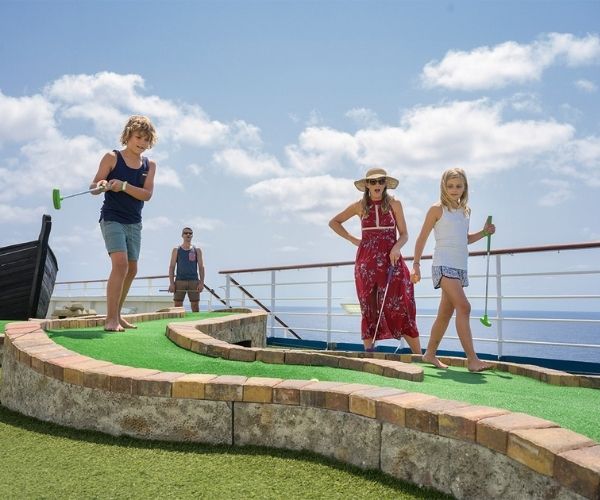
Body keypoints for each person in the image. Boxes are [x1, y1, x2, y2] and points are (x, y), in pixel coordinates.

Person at [411, 167, 495, 372]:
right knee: (464, 307)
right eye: (450, 186)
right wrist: (416, 264)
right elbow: (422, 238)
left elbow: (464, 239)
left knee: (445, 313)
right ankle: (472, 360)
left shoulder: (466, 211)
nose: (454, 189)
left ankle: (430, 354)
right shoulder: (436, 209)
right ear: (443, 187)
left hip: (459, 267)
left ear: (465, 187)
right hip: (443, 264)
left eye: (458, 186)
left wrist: (484, 233)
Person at [329, 168, 421, 353]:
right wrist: (353, 239)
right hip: (366, 263)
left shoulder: (395, 204)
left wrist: (396, 247)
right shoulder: (359, 206)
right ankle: (369, 353)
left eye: (380, 181)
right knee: (368, 306)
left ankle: (419, 355)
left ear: (385, 183)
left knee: (402, 303)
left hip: (391, 261)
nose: (377, 184)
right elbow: (334, 222)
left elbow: (404, 234)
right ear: (367, 185)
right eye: (373, 181)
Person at [90, 115, 157, 332]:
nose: (142, 143)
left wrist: (124, 186)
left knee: (132, 269)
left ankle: (117, 315)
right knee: (120, 264)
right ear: (128, 135)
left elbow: (147, 195)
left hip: (134, 222)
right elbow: (94, 187)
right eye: (138, 137)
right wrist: (101, 184)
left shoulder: (149, 165)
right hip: (112, 218)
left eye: (146, 139)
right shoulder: (112, 157)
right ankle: (110, 320)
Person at [168, 227, 205, 312]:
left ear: (192, 235)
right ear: (182, 235)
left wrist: (201, 283)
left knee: (195, 306)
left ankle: (196, 320)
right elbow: (172, 267)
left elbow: (201, 267)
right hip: (180, 281)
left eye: (190, 233)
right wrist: (171, 283)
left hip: (194, 281)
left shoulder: (197, 250)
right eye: (186, 233)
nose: (188, 234)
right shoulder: (176, 250)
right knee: (177, 306)